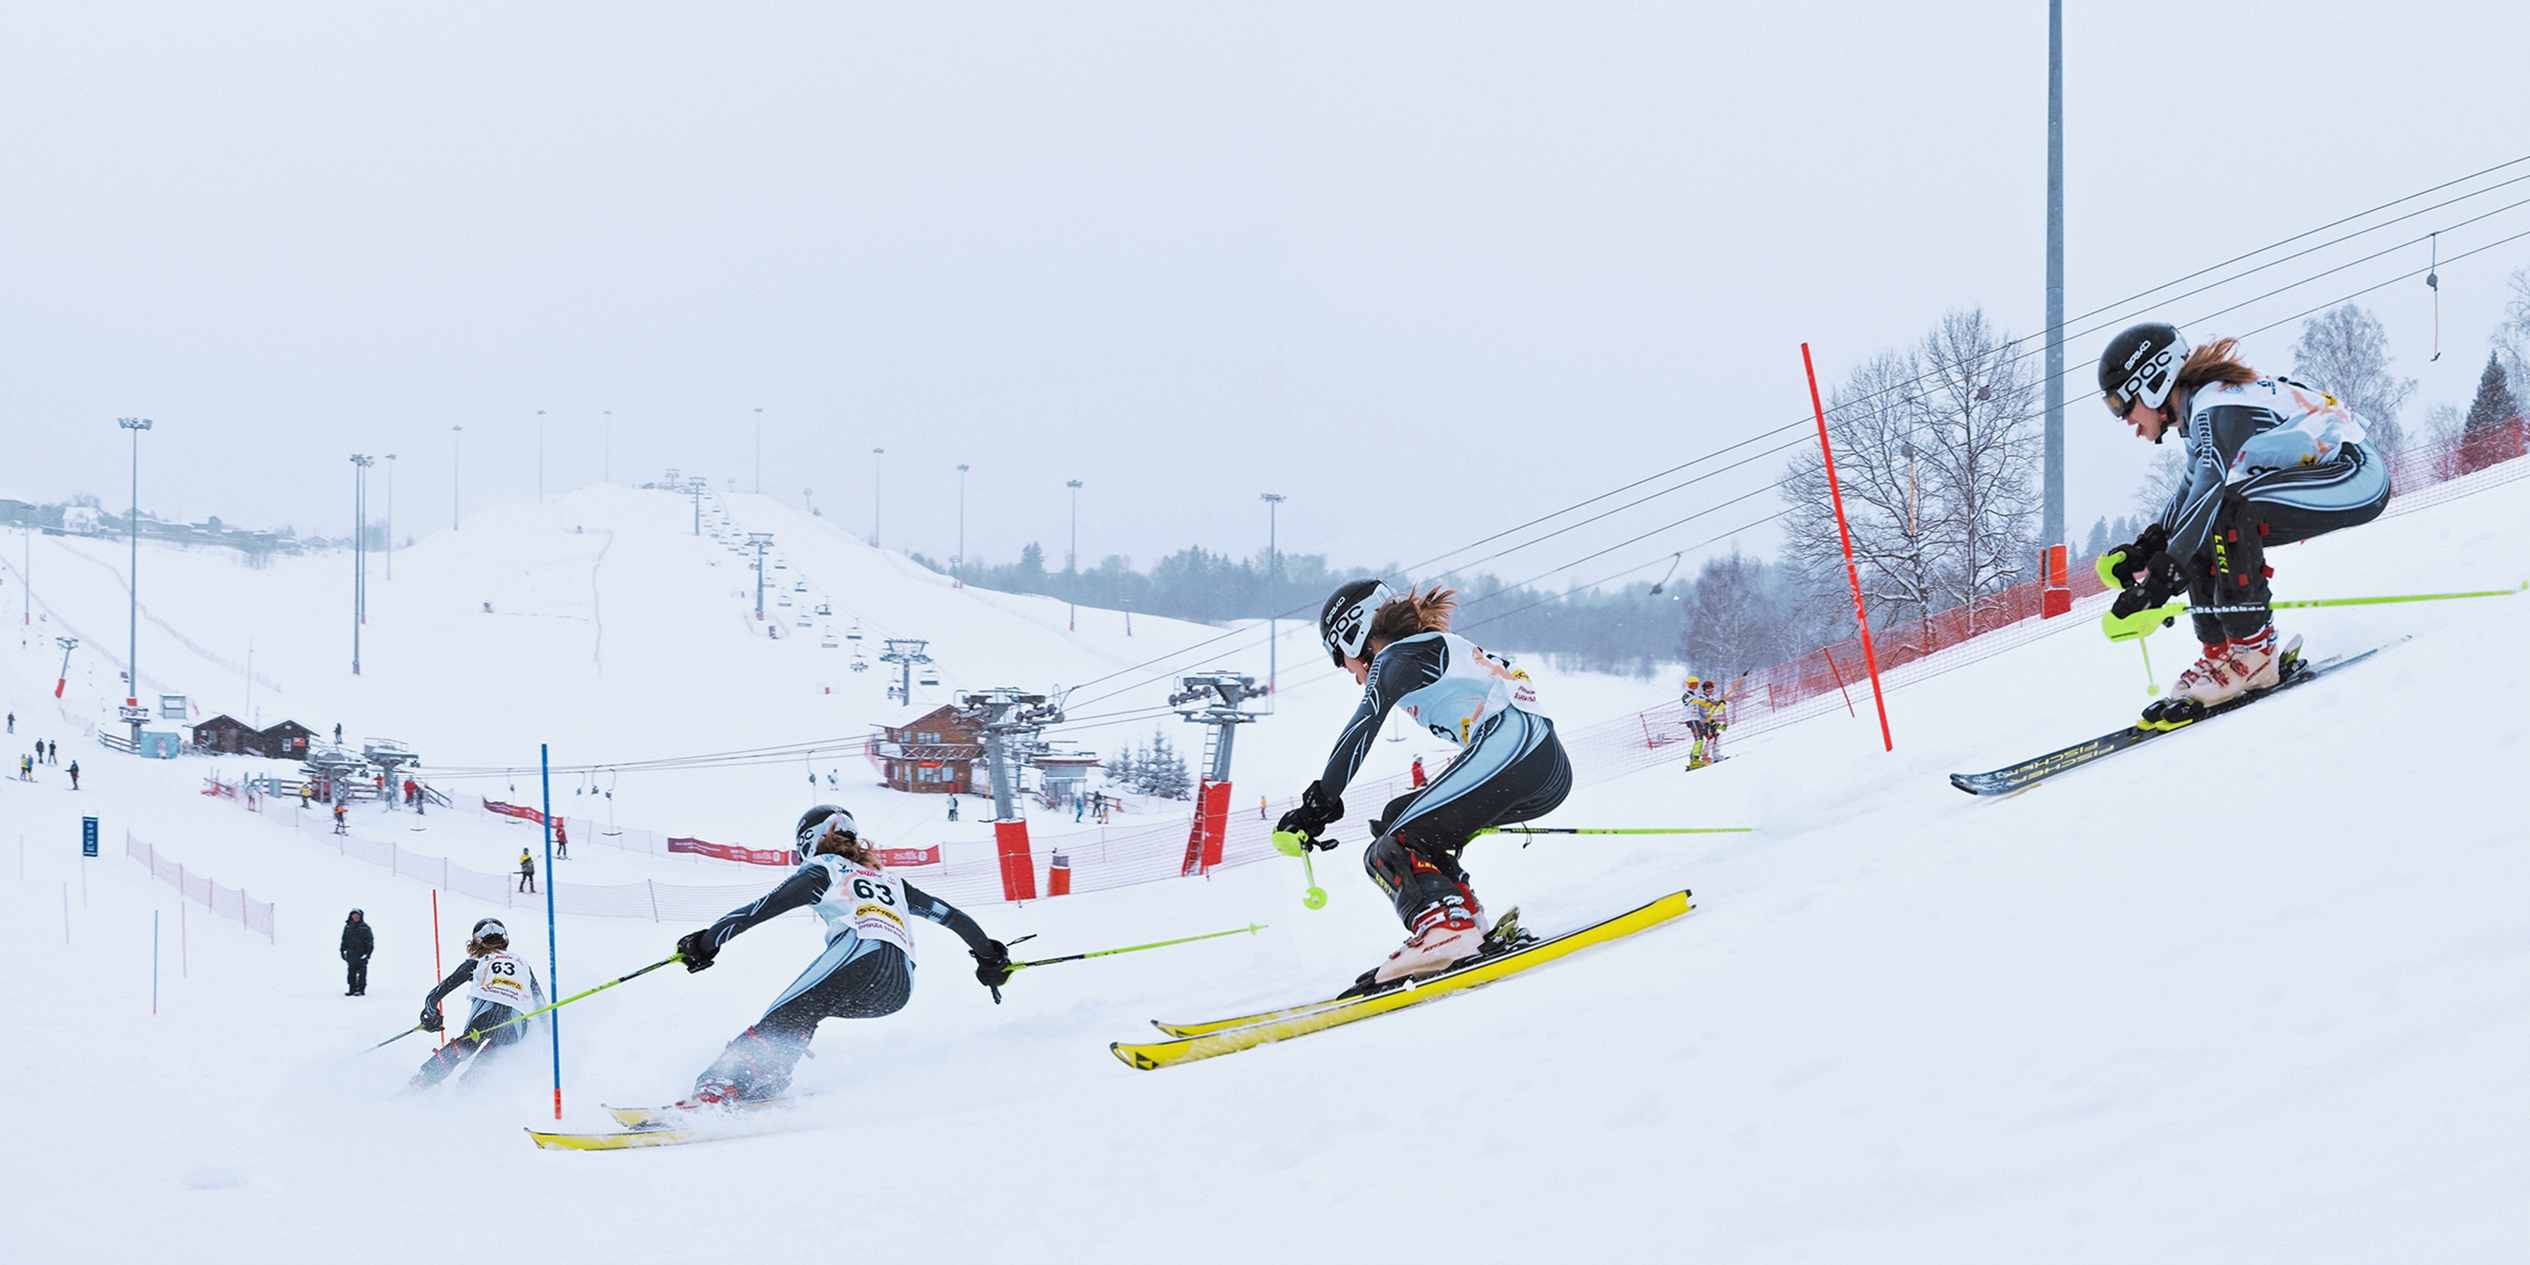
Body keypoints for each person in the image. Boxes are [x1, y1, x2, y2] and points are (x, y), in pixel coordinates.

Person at [1277, 582, 1571, 985]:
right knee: (1398, 821)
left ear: (1353, 634)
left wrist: (1318, 805)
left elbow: (1365, 723)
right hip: (1540, 763)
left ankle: (1445, 932)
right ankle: (1463, 920)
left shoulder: (1400, 653)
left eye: (1341, 658)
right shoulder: (1429, 649)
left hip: (1513, 746)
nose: (1350, 673)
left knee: (1388, 848)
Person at [2098, 323, 2391, 714]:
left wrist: (2159, 582)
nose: (2125, 420)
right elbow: (2191, 491)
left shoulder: (2214, 406)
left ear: (2152, 381)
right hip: (2335, 471)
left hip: (2357, 472)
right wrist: (2147, 547)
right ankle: (2222, 654)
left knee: (2228, 509)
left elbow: (2206, 494)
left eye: (2122, 404)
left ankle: (2254, 654)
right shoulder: (2200, 410)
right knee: (2208, 518)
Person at [666, 805, 1009, 1107]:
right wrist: (989, 958)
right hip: (898, 986)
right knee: (801, 1014)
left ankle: (716, 1089)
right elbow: (952, 917)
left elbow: (761, 909)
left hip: (860, 954)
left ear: (809, 840)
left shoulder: (825, 867)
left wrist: (706, 942)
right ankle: (766, 1078)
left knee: (783, 1014)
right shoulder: (890, 879)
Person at [410, 918, 544, 1089]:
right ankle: (467, 1092)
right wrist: (547, 1034)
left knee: (466, 1045)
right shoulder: (522, 964)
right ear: (505, 940)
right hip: (517, 1026)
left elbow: (435, 994)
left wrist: (431, 1015)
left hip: (485, 1020)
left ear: (476, 943)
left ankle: (423, 1082)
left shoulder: (479, 961)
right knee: (494, 1052)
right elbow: (540, 1002)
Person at [340, 908, 375, 996]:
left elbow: (370, 941)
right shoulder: (348, 927)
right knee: (351, 973)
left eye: (357, 915)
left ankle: (360, 989)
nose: (355, 917)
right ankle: (352, 989)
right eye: (354, 915)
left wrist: (367, 954)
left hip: (361, 955)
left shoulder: (365, 928)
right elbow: (344, 940)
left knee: (362, 974)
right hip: (351, 954)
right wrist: (342, 951)